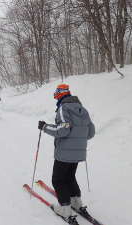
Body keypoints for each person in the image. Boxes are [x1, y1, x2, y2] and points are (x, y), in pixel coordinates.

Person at [38, 84, 95, 224]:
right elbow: (91, 132)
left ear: (59, 95)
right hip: (79, 153)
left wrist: (45, 127)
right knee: (69, 177)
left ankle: (65, 209)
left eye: (56, 95)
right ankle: (76, 203)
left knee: (58, 180)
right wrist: (78, 140)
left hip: (64, 153)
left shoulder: (64, 108)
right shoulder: (83, 110)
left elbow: (62, 130)